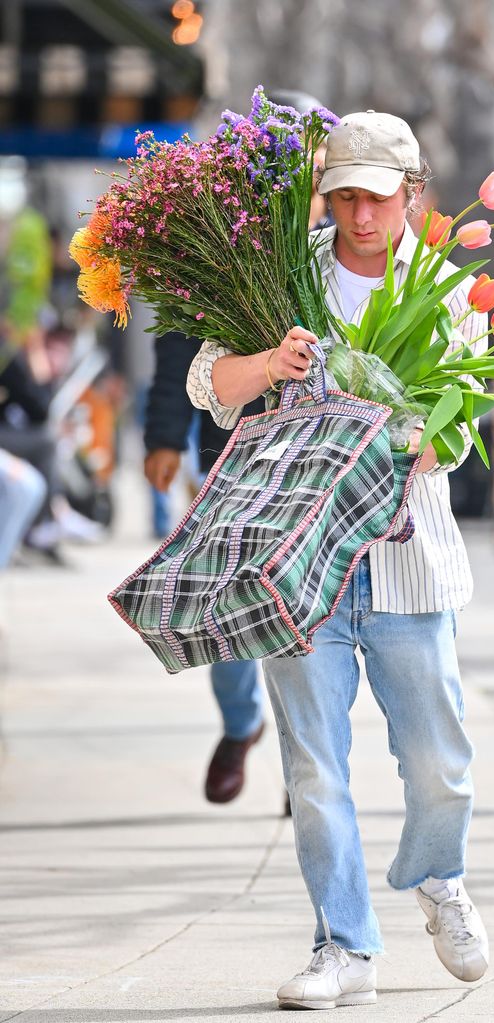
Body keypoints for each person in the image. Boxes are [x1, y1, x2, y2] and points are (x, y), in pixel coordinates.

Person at [187, 108, 490, 1008]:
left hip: (408, 561)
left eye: (378, 198)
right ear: (326, 196)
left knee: (439, 761)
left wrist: (427, 438)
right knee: (315, 765)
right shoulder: (282, 277)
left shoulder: (447, 287)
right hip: (301, 564)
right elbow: (212, 386)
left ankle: (438, 877)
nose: (360, 216)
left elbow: (465, 421)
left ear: (412, 194)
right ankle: (343, 946)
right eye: (345, 196)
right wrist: (269, 364)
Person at [144, 331, 266, 803]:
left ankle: (312, 766)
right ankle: (241, 724)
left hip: (319, 443)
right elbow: (179, 336)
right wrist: (164, 437)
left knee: (308, 611)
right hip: (230, 451)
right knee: (227, 604)